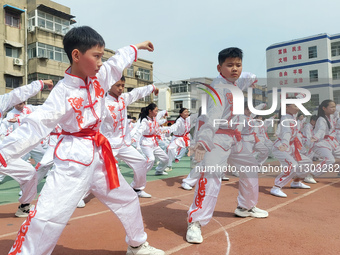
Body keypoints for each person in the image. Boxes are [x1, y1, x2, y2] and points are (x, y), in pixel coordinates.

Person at [0, 26, 163, 255]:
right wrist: (4, 152)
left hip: (99, 154)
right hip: (72, 160)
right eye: (96, 56)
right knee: (48, 216)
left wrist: (137, 47)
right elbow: (37, 124)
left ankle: (137, 244)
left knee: (127, 199)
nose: (100, 62)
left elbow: (117, 62)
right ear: (76, 55)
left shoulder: (100, 78)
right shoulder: (63, 92)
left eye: (101, 57)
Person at [186, 47, 268, 244]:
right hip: (217, 139)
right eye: (229, 65)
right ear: (219, 67)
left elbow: (249, 76)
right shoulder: (218, 88)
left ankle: (245, 207)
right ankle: (195, 222)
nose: (235, 69)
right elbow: (212, 118)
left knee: (250, 170)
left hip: (236, 138)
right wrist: (203, 142)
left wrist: (252, 79)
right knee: (211, 179)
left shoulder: (237, 82)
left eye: (238, 65)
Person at [0, 79, 53, 217]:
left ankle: (24, 207)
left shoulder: (3, 102)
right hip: (9, 149)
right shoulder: (10, 114)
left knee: (30, 173)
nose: (21, 103)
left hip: (7, 152)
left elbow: (21, 92)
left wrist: (42, 83)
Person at [101, 75, 159, 198]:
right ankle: (80, 196)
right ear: (109, 85)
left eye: (123, 85)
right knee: (95, 170)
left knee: (141, 162)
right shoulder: (102, 103)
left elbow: (137, 92)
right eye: (118, 85)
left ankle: (137, 188)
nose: (121, 88)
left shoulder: (124, 99)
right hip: (108, 145)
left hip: (124, 143)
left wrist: (152, 87)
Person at [270, 102, 312, 198]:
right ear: (286, 107)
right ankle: (276, 187)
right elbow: (286, 132)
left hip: (291, 147)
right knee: (292, 166)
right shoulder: (285, 118)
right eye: (295, 106)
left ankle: (296, 182)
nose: (298, 108)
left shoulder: (292, 117)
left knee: (307, 162)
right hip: (281, 147)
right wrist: (285, 143)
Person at [132, 103, 169, 176]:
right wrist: (134, 139)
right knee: (151, 159)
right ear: (150, 111)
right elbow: (140, 131)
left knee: (165, 158)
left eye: (157, 111)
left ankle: (159, 170)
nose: (156, 112)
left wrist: (161, 132)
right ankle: (140, 173)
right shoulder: (145, 121)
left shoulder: (154, 119)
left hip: (154, 143)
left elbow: (156, 128)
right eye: (155, 111)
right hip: (146, 143)